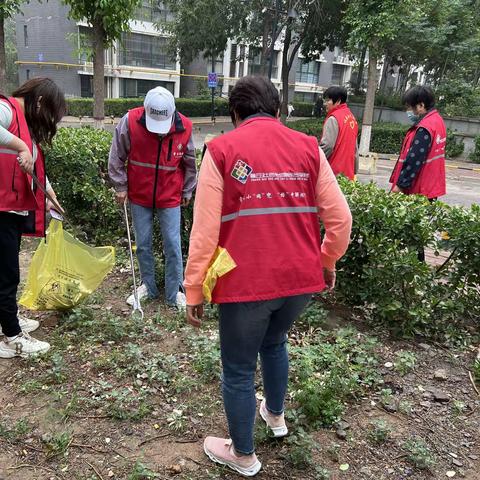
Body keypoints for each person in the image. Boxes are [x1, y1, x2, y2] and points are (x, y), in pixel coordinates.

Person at [184, 76, 352, 477]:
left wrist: (194, 288)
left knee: (239, 370)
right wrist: (326, 260)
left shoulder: (221, 149)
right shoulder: (309, 148)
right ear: (278, 111)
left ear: (235, 115)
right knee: (275, 342)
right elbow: (340, 219)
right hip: (300, 279)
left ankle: (243, 454)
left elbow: (204, 231)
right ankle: (275, 416)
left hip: (246, 284)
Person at [108, 87, 197, 309]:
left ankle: (174, 290)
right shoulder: (130, 121)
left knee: (173, 245)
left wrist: (187, 190)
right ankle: (148, 285)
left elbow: (189, 162)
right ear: (146, 111)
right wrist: (120, 185)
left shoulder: (184, 127)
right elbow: (116, 155)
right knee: (144, 244)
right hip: (139, 194)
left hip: (170, 195)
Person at [0, 77, 65, 358]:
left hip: (10, 209)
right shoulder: (7, 110)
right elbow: (20, 150)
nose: (51, 121)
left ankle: (7, 319)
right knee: (6, 275)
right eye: (51, 112)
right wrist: (21, 147)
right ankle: (12, 337)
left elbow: (36, 169)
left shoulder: (26, 125)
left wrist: (50, 194)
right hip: (0, 209)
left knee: (6, 271)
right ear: (39, 102)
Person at [389, 85, 446, 199]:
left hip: (419, 188)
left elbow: (415, 158)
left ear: (421, 105)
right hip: (430, 186)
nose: (408, 111)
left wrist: (400, 185)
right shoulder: (437, 121)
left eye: (410, 107)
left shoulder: (425, 128)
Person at [319, 86, 359, 180]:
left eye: (328, 100)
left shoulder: (333, 118)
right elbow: (355, 148)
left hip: (333, 173)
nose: (325, 104)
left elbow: (327, 145)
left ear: (338, 101)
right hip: (348, 174)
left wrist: (314, 162)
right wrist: (355, 169)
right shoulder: (351, 117)